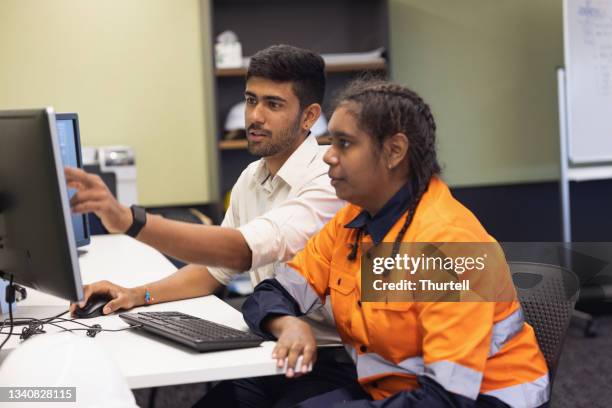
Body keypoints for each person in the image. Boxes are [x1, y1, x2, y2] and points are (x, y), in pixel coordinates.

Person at [66, 45, 358, 406]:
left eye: (273, 104)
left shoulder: (327, 182)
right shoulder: (252, 176)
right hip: (272, 351)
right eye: (251, 100)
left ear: (309, 116)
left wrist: (130, 221)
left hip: (329, 361)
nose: (255, 116)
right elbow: (215, 269)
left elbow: (240, 249)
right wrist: (135, 294)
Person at [241, 79, 551, 407]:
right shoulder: (352, 221)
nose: (328, 157)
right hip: (391, 386)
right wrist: (288, 324)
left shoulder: (446, 243)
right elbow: (272, 294)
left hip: (482, 397)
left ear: (394, 152)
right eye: (330, 142)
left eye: (344, 144)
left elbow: (444, 399)